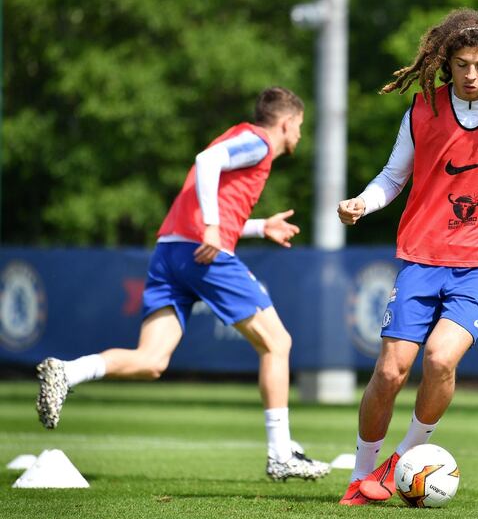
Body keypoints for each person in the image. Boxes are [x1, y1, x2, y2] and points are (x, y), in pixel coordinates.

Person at [35, 86, 331, 481]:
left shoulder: (240, 137)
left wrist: (261, 227)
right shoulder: (259, 143)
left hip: (170, 252)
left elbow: (216, 203)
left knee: (152, 361)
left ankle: (67, 373)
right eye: (300, 127)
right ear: (287, 122)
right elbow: (207, 162)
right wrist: (211, 226)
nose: (299, 136)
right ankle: (280, 454)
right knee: (278, 343)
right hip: (201, 253)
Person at [336, 9, 478, 505]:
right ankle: (360, 471)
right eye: (462, 64)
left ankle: (401, 462)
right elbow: (393, 177)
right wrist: (361, 204)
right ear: (445, 64)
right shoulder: (422, 111)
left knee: (439, 357)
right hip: (424, 256)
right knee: (389, 372)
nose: (472, 75)